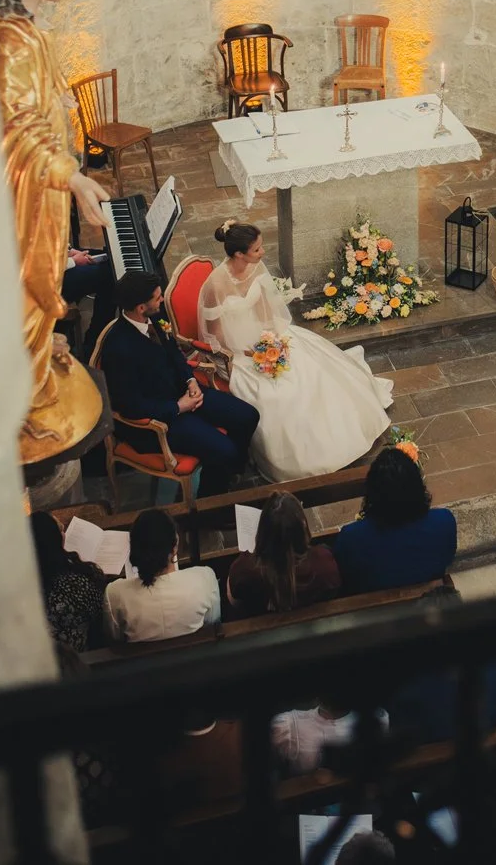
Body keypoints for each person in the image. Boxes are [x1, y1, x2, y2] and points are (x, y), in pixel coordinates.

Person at [0, 0, 109, 457]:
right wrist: (75, 177)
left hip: (42, 184)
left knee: (37, 288)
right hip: (24, 189)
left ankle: (34, 372)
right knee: (26, 291)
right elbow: (17, 128)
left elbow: (39, 101)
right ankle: (27, 406)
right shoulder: (8, 37)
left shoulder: (26, 20)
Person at [196, 221, 393, 481]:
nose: (262, 253)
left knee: (313, 370)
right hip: (237, 354)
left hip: (265, 339)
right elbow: (215, 336)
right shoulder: (215, 286)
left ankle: (339, 435)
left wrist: (272, 339)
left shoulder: (255, 268)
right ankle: (299, 459)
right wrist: (248, 352)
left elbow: (265, 310)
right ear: (238, 254)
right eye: (256, 250)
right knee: (279, 396)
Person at [101, 271, 259, 497]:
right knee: (225, 449)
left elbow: (174, 353)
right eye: (157, 298)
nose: (162, 300)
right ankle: (210, 501)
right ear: (140, 308)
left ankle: (225, 472)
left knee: (248, 416)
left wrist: (190, 379)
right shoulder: (118, 349)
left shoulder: (153, 317)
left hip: (185, 392)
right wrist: (179, 407)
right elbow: (130, 405)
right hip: (160, 420)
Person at [334, 447, 457, 594]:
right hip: (428, 605)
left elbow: (347, 578)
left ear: (372, 493)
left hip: (375, 612)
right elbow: (447, 558)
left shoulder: (351, 538)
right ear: (418, 487)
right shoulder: (444, 522)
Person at [105, 509, 220, 642]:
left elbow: (114, 642)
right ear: (175, 545)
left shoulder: (114, 593)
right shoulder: (205, 578)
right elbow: (213, 626)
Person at [226, 491, 340, 617]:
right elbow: (333, 593)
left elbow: (234, 601)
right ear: (302, 527)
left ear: (263, 531)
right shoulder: (324, 564)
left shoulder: (244, 569)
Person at [29, 511, 107, 653]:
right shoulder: (79, 584)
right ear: (57, 540)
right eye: (60, 530)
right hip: (78, 661)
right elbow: (102, 616)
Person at [60, 246, 116, 362]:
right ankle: (93, 345)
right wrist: (73, 261)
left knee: (108, 256)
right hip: (45, 284)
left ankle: (98, 338)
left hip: (57, 261)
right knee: (109, 275)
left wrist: (69, 250)